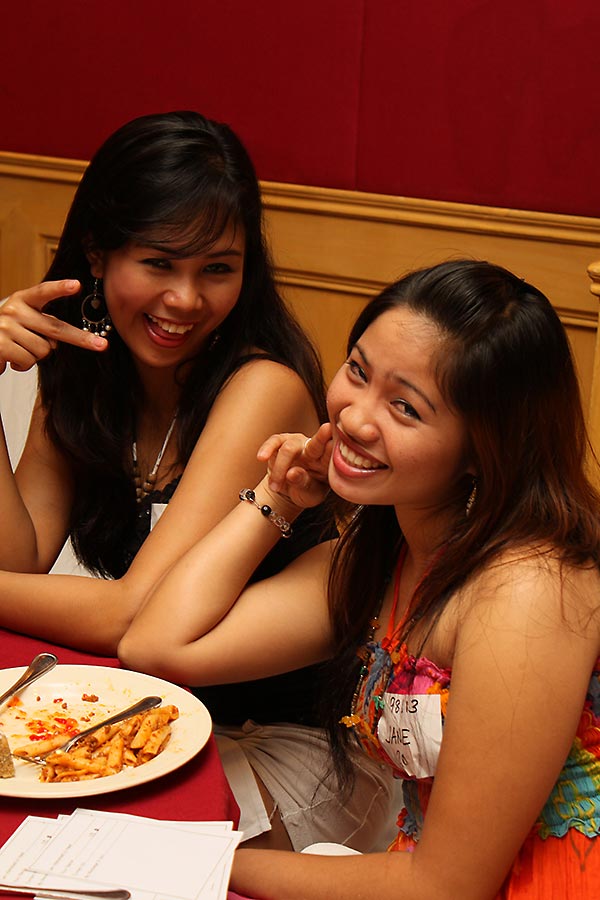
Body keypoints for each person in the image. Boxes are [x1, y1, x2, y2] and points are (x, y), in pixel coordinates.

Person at [120, 259, 600, 898]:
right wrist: (278, 497)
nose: (353, 418)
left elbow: (445, 887)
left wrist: (196, 860)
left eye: (404, 407)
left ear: (484, 446)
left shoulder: (528, 591)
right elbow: (156, 646)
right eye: (357, 371)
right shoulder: (384, 551)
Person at [0, 110, 394, 851]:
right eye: (159, 264)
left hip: (284, 743)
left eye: (217, 269)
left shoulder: (262, 386)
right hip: (155, 717)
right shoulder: (86, 373)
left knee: (78, 847)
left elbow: (127, 615)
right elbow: (16, 562)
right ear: (98, 252)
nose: (186, 300)